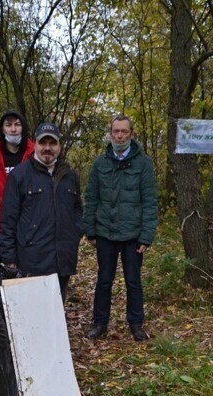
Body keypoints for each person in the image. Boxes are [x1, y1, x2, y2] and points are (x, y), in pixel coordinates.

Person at [84, 115, 158, 341]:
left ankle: (136, 324)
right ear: (111, 133)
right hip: (105, 232)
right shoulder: (100, 163)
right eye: (116, 131)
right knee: (104, 279)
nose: (119, 135)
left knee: (133, 281)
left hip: (133, 235)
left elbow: (150, 201)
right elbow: (91, 197)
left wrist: (146, 236)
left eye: (124, 131)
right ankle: (100, 323)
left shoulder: (143, 163)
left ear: (131, 134)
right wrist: (90, 230)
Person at [0, 122, 83, 302]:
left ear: (59, 146)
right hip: (32, 257)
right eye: (42, 143)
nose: (47, 148)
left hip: (63, 257)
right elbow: (7, 219)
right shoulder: (19, 176)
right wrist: (9, 256)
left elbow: (77, 208)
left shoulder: (69, 176)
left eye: (52, 143)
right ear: (34, 144)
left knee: (57, 308)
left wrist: (75, 232)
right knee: (33, 310)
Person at [0, 111, 34, 249]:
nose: (13, 129)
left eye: (17, 125)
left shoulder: (35, 154)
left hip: (29, 226)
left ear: (23, 128)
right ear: (2, 129)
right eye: (8, 125)